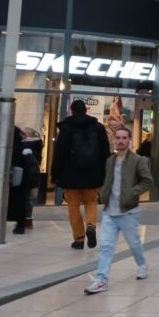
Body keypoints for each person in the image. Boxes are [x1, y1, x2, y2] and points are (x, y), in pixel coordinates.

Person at [84, 126, 152, 294]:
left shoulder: (138, 160)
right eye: (118, 138)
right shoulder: (110, 161)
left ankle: (142, 264)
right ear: (114, 140)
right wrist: (103, 193)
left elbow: (147, 181)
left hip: (128, 211)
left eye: (124, 138)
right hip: (110, 211)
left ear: (129, 140)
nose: (120, 141)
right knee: (106, 246)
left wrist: (132, 193)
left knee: (134, 243)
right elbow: (108, 181)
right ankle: (101, 280)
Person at [51, 99, 110, 250]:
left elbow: (59, 154)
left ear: (71, 111)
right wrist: (105, 172)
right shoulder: (98, 128)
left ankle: (78, 239)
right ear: (86, 110)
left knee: (73, 206)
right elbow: (105, 153)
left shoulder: (66, 129)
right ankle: (90, 225)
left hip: (70, 175)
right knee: (91, 202)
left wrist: (55, 174)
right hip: (92, 174)